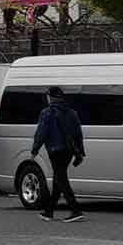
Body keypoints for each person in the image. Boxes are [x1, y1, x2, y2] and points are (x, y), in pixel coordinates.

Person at [31, 86, 85, 223]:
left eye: (48, 96)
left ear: (52, 97)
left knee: (61, 179)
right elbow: (78, 134)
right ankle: (49, 211)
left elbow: (41, 133)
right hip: (69, 151)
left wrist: (34, 150)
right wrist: (80, 152)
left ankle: (75, 209)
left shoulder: (47, 113)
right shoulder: (72, 112)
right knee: (58, 179)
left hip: (55, 150)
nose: (47, 99)